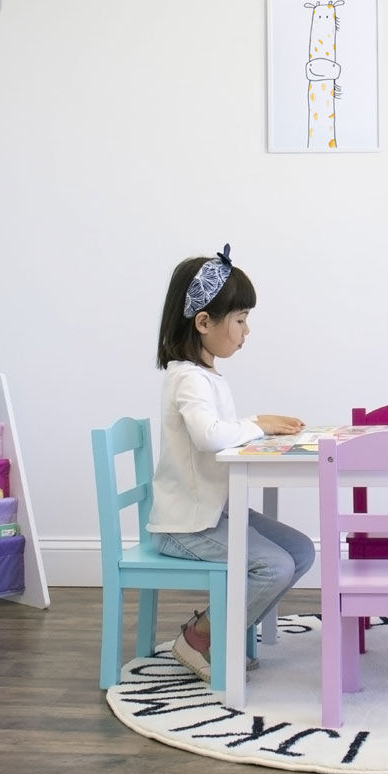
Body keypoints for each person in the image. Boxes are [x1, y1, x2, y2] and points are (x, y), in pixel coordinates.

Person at [147, 243, 315, 681]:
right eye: (239, 320)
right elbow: (210, 435)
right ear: (203, 322)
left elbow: (219, 431)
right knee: (274, 565)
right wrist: (257, 423)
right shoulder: (186, 378)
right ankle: (200, 638)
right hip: (186, 526)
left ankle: (222, 629)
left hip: (212, 513)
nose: (246, 330)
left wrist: (255, 425)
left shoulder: (206, 377)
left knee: (300, 550)